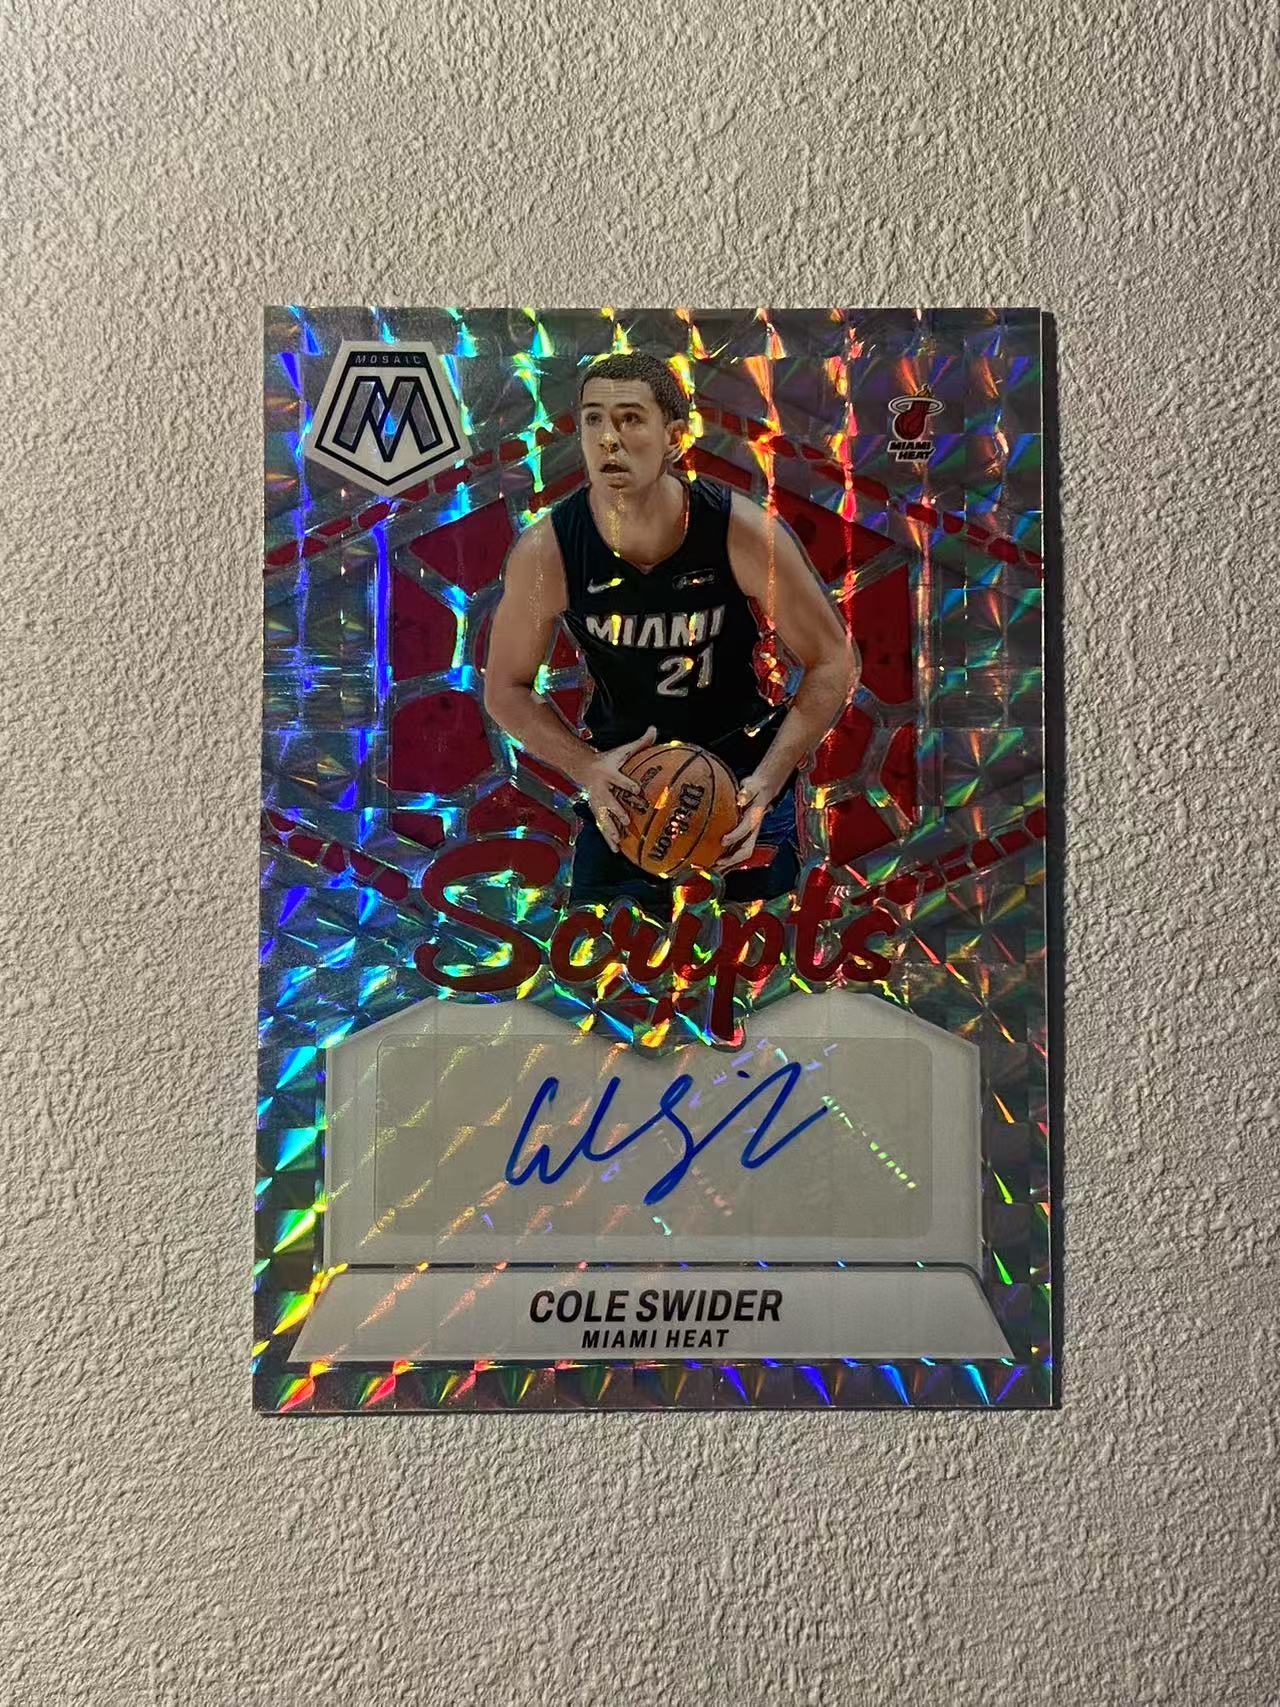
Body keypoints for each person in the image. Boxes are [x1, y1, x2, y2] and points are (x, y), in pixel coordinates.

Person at [483, 351, 858, 916]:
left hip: (743, 777)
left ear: (675, 438)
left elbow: (833, 660)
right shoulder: (548, 551)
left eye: (630, 419)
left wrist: (769, 778)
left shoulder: (737, 530)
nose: (608, 439)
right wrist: (586, 768)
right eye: (593, 419)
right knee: (600, 959)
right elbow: (505, 689)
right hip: (627, 787)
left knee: (762, 957)